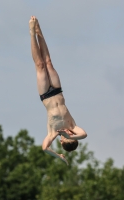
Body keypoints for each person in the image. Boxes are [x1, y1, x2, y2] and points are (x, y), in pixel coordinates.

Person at [29, 16, 87, 165]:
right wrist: (71, 135)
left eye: (64, 138)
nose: (66, 135)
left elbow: (44, 148)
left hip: (46, 95)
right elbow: (83, 135)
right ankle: (38, 29)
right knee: (48, 62)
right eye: (70, 137)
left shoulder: (53, 133)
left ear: (61, 142)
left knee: (40, 65)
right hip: (57, 91)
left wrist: (58, 157)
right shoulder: (72, 127)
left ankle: (31, 33)